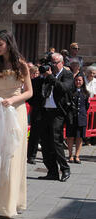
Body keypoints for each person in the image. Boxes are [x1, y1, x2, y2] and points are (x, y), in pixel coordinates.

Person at [0, 30, 33, 219]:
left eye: (0, 44)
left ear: (8, 44)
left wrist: (13, 100)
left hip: (17, 111)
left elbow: (29, 92)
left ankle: (11, 204)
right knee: (0, 156)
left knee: (13, 155)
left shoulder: (21, 65)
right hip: (1, 112)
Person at [37, 52, 73, 182]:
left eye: (55, 62)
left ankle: (65, 168)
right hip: (46, 111)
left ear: (62, 63)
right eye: (51, 62)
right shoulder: (47, 75)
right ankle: (52, 171)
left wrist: (51, 76)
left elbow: (64, 88)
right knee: (45, 143)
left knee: (56, 140)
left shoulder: (67, 74)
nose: (53, 65)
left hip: (58, 112)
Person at [66, 74, 90, 163]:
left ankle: (77, 155)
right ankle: (70, 155)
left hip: (81, 117)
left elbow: (87, 106)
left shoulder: (86, 93)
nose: (78, 82)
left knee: (79, 137)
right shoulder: (70, 92)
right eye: (76, 80)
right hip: (72, 117)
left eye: (80, 80)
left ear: (83, 81)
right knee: (70, 137)